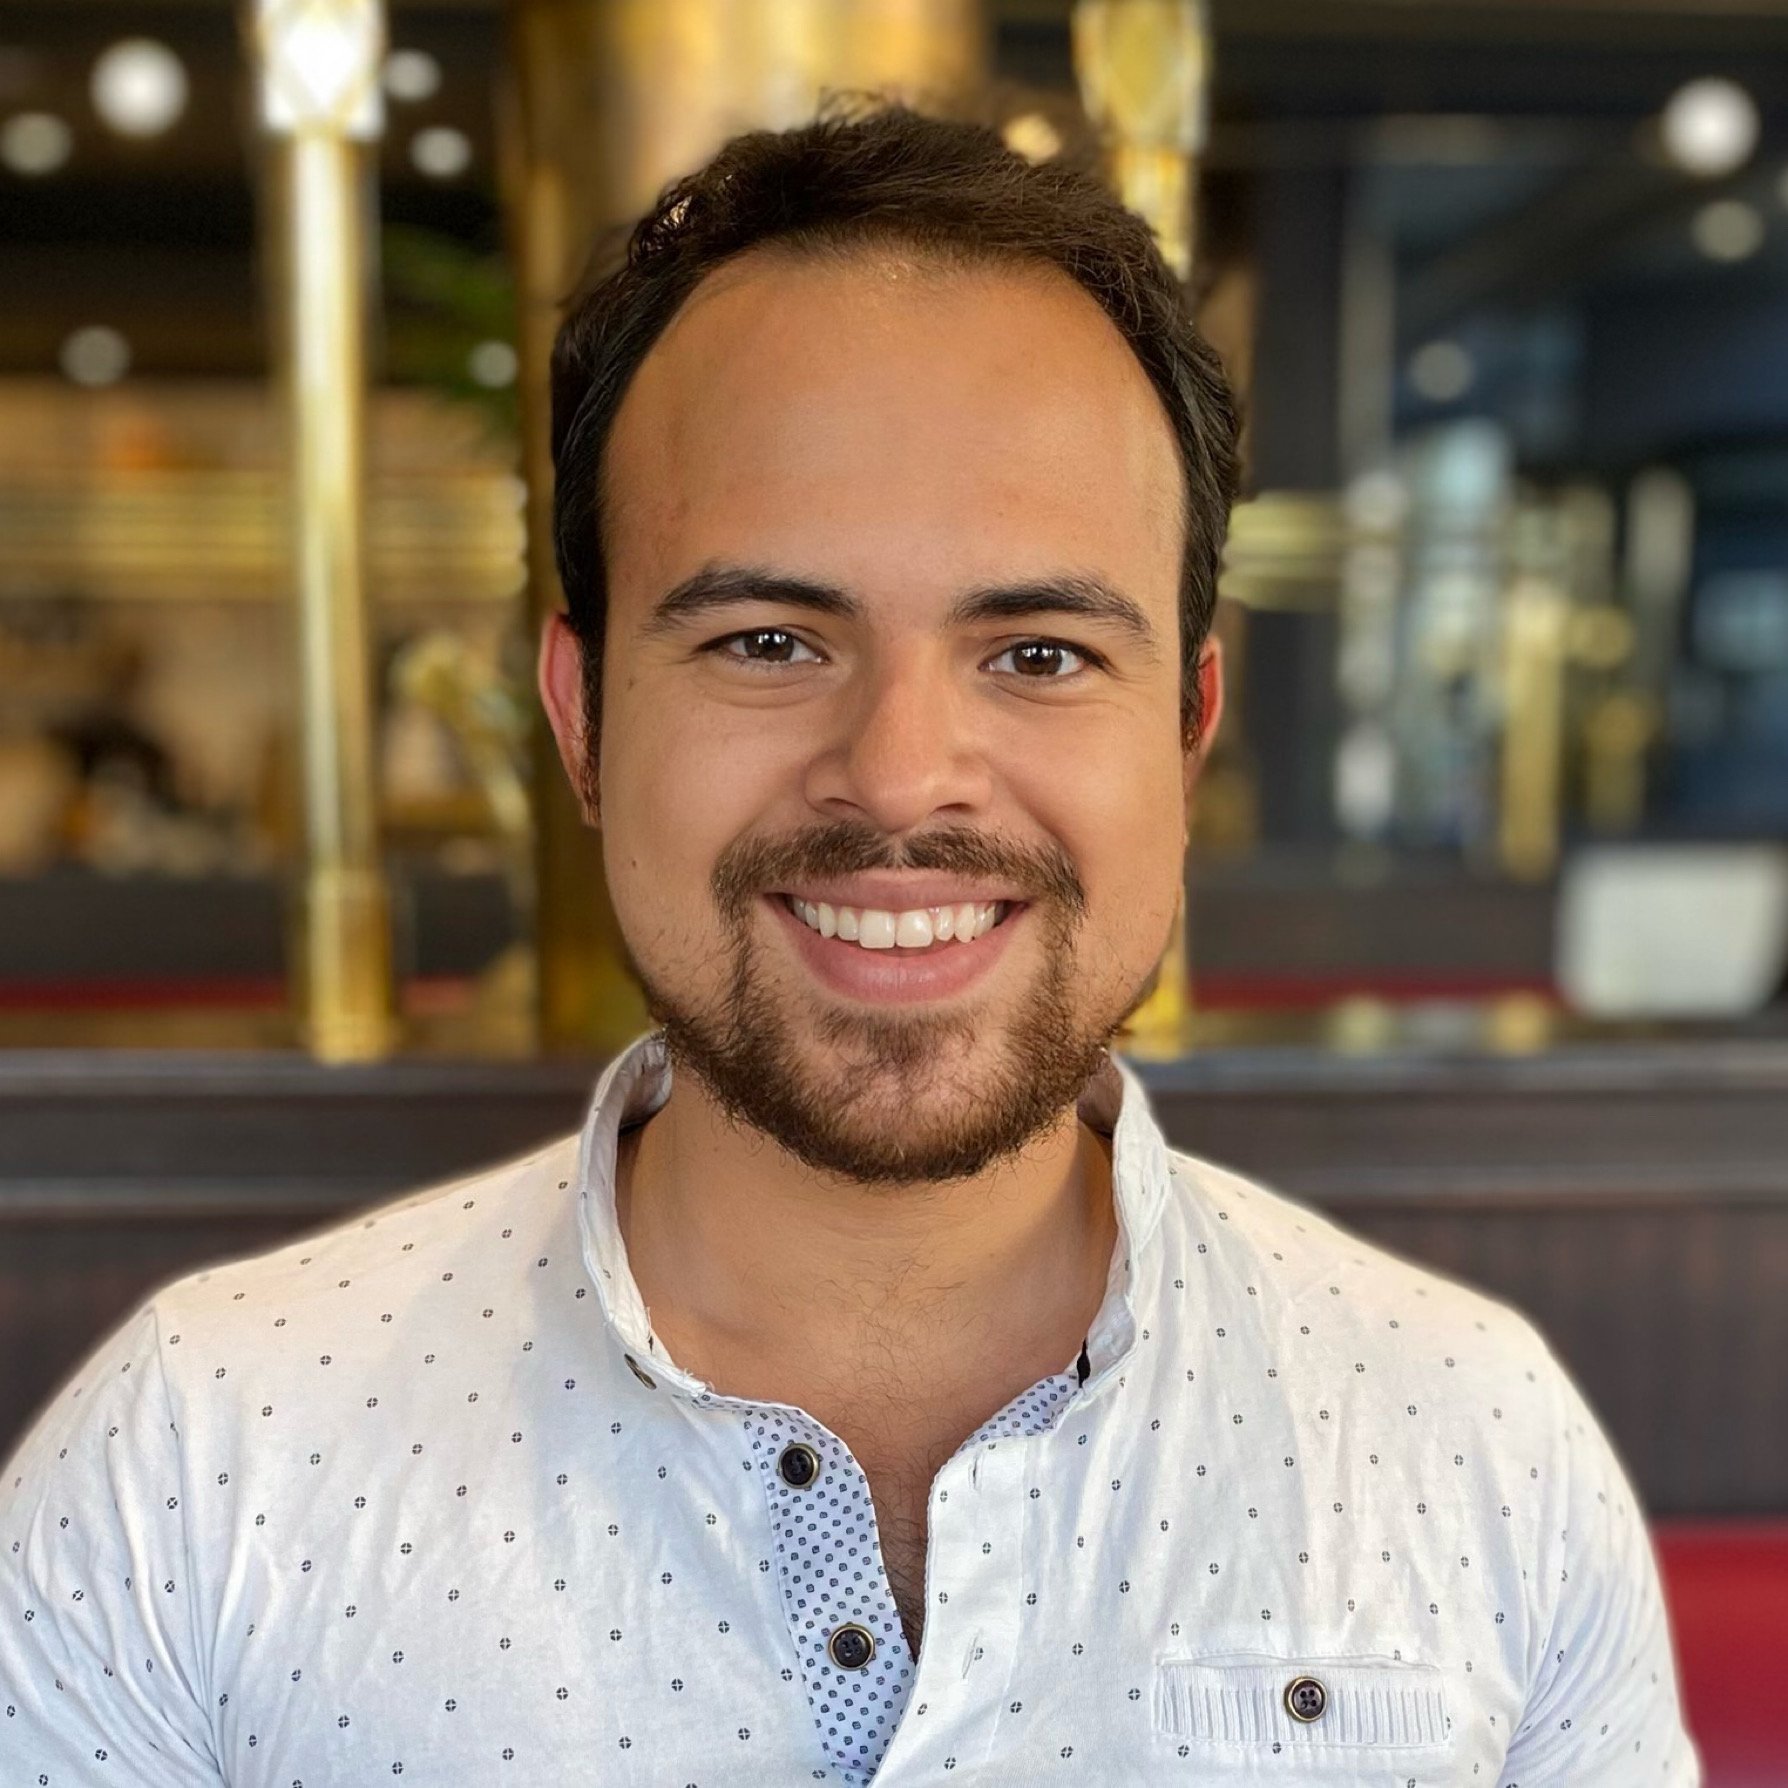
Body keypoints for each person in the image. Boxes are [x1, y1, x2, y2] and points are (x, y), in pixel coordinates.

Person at [0, 104, 1696, 1786]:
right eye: (766, 641)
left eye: (1039, 655)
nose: (897, 776)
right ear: (581, 721)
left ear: (1188, 728)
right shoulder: (196, 1474)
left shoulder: (1478, 1449)